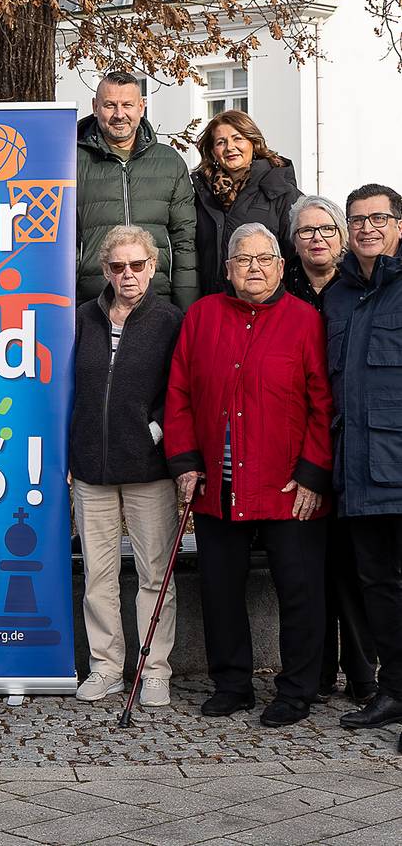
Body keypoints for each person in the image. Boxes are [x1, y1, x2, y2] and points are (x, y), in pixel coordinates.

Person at [165, 222, 332, 728]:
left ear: (281, 267)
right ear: (228, 268)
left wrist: (311, 474)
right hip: (219, 483)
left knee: (300, 590)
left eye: (264, 259)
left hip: (288, 487)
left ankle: (296, 691)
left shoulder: (305, 321)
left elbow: (323, 403)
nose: (254, 268)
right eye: (244, 259)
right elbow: (179, 396)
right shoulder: (201, 316)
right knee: (219, 588)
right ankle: (232, 683)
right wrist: (186, 462)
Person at [71, 226, 183, 707]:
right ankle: (107, 667)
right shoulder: (82, 319)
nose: (128, 274)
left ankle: (155, 668)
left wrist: (155, 431)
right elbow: (65, 390)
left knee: (155, 574)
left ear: (153, 267)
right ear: (105, 271)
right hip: (91, 469)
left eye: (138, 265)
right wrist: (69, 452)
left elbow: (181, 389)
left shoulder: (171, 321)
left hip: (148, 467)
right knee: (98, 574)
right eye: (118, 266)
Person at [283, 196, 377, 706]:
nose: (316, 239)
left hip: (354, 440)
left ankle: (363, 672)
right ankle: (316, 673)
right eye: (305, 232)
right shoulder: (283, 289)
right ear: (293, 242)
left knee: (353, 565)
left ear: (340, 237)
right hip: (304, 442)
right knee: (312, 568)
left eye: (325, 230)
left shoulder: (356, 289)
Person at [324, 183, 402, 732]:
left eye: (378, 218)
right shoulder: (338, 295)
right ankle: (394, 691)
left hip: (398, 465)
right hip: (356, 471)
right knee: (377, 588)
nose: (367, 228)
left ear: (399, 225)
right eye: (357, 220)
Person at [75, 71, 198, 310]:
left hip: (158, 301)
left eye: (127, 105)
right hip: (92, 304)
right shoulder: (72, 162)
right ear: (95, 107)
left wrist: (185, 309)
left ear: (141, 107)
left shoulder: (169, 162)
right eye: (110, 105)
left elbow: (184, 241)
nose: (119, 114)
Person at [192, 110, 302, 296]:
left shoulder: (280, 189)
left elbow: (296, 254)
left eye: (238, 139)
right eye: (221, 142)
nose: (230, 147)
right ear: (213, 151)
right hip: (215, 303)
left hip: (265, 303)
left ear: (253, 142)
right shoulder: (201, 194)